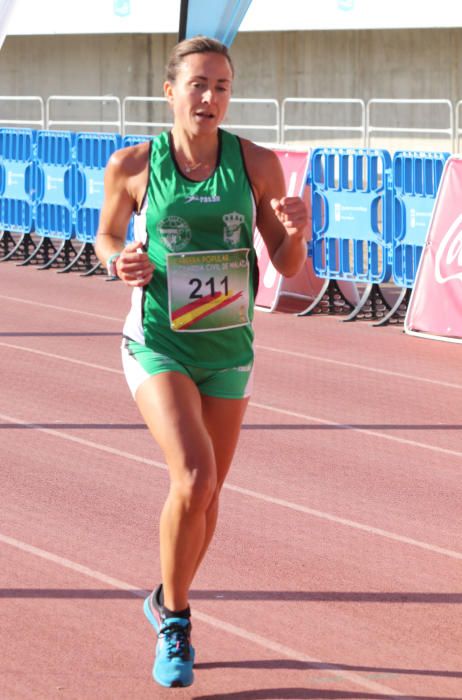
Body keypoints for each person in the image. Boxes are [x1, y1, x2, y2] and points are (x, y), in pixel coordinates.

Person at [95, 35, 308, 689]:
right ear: (171, 92)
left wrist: (298, 229)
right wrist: (118, 260)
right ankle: (178, 620)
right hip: (158, 341)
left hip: (229, 350)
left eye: (221, 86)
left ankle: (163, 595)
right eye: (198, 84)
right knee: (192, 475)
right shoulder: (133, 164)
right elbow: (106, 236)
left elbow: (290, 267)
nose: (210, 97)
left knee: (209, 494)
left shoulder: (259, 165)